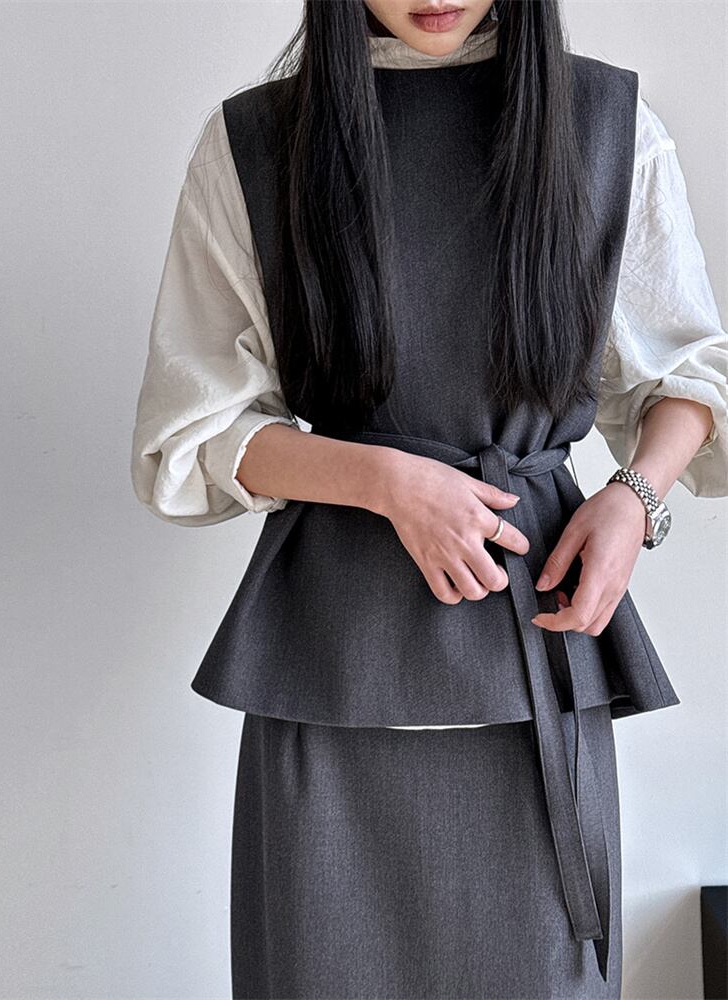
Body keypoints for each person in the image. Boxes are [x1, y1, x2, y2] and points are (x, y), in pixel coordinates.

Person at [130, 1, 728, 997]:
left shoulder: (606, 129)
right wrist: (385, 480)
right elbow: (193, 428)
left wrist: (632, 499)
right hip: (333, 671)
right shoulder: (259, 145)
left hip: (532, 656)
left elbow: (688, 376)